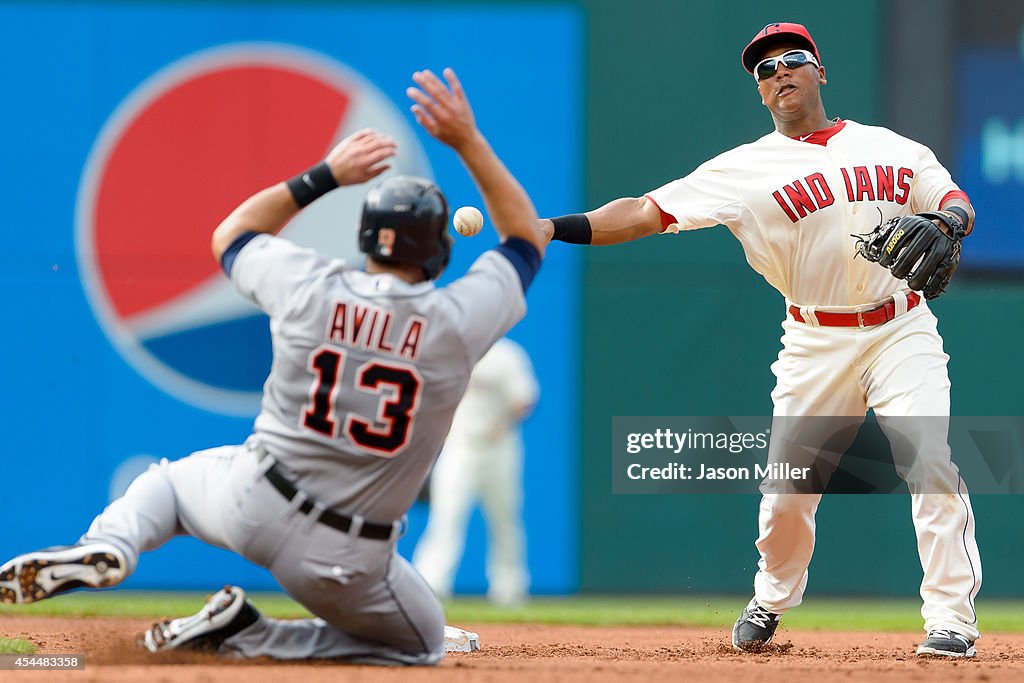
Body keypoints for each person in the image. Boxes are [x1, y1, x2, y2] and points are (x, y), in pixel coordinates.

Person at [0, 67, 548, 666]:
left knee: (168, 485)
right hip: (345, 559)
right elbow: (524, 236)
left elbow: (232, 233)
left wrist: (328, 175)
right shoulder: (456, 322)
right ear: (440, 250)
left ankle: (109, 545)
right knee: (422, 644)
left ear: (365, 239)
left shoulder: (308, 284)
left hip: (254, 499)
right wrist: (466, 140)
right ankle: (251, 635)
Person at [543, 22, 980, 658]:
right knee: (786, 495)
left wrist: (950, 220)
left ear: (820, 72)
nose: (780, 73)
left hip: (899, 325)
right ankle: (771, 596)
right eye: (765, 69)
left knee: (928, 458)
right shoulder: (742, 170)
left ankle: (951, 621)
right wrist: (551, 228)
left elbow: (951, 198)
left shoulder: (891, 147)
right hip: (813, 339)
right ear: (759, 91)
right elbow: (643, 211)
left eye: (793, 60)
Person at [413, 336, 538, 606]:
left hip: (499, 445)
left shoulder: (507, 354)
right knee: (446, 517)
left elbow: (526, 398)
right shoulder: (453, 354)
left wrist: (503, 421)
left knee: (505, 519)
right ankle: (430, 586)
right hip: (460, 444)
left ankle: (510, 590)